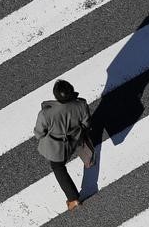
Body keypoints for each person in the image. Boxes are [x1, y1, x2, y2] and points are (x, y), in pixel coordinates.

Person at [33, 79, 92, 210]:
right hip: (74, 140)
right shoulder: (81, 105)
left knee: (58, 168)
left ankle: (73, 198)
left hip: (55, 147)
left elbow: (39, 133)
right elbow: (86, 124)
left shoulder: (46, 113)